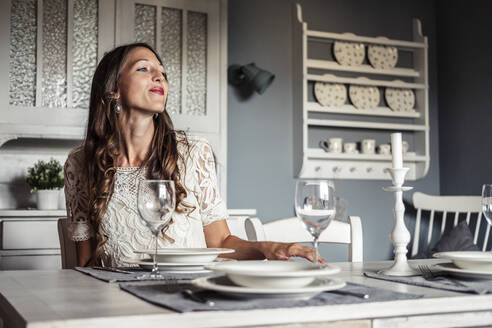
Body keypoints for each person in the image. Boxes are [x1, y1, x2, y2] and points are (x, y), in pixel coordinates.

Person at [64, 43, 320, 267]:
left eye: (163, 73)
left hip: (187, 297)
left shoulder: (193, 152)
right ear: (113, 88)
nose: (159, 77)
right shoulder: (80, 164)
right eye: (144, 69)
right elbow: (85, 263)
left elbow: (219, 241)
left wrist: (268, 248)